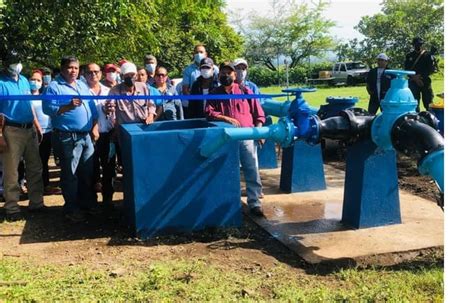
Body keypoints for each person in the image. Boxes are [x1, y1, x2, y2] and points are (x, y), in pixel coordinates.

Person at [43, 55, 100, 223]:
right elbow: (48, 109)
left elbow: (91, 107)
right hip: (68, 137)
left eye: (75, 68)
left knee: (86, 173)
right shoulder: (54, 87)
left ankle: (86, 204)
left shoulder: (82, 84)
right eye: (69, 67)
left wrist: (94, 126)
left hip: (86, 135)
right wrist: (68, 105)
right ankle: (71, 209)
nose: (73, 71)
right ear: (62, 69)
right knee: (70, 174)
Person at [205, 62, 266, 217]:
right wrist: (225, 118)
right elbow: (209, 113)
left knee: (251, 168)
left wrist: (259, 133)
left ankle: (255, 203)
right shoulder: (214, 93)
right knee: (225, 170)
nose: (226, 76)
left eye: (229, 73)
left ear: (234, 75)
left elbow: (259, 114)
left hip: (246, 135)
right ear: (218, 76)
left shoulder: (246, 91)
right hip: (225, 138)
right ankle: (228, 203)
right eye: (223, 73)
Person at [0, 50, 45, 221]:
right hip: (10, 130)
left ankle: (37, 203)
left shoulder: (25, 80)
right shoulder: (1, 82)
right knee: (11, 171)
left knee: (35, 167)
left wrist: (37, 126)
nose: (17, 63)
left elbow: (29, 105)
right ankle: (12, 208)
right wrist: (0, 136)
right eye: (13, 60)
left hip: (29, 129)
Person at [84, 63, 116, 207]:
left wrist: (109, 110)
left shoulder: (109, 91)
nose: (93, 75)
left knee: (109, 169)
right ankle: (91, 201)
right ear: (85, 74)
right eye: (90, 72)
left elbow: (114, 113)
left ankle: (108, 200)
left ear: (101, 74)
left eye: (96, 72)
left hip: (107, 135)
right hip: (88, 136)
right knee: (90, 170)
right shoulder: (81, 91)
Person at [30, 69, 60, 195]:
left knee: (44, 159)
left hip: (48, 132)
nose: (35, 82)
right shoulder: (25, 96)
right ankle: (33, 187)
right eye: (33, 79)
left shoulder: (44, 96)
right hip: (34, 133)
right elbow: (31, 115)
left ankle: (46, 185)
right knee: (34, 161)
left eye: (38, 80)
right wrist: (37, 128)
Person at [107, 62, 156, 126]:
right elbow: (109, 107)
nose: (130, 78)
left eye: (132, 75)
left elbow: (151, 104)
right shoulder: (115, 90)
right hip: (126, 128)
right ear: (122, 76)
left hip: (144, 125)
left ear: (136, 75)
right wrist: (109, 108)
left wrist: (150, 115)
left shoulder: (143, 87)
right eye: (127, 75)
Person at [181, 44, 219, 117]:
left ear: (206, 54)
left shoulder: (215, 69)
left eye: (201, 52)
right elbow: (185, 90)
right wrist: (196, 101)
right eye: (196, 52)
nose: (199, 54)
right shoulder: (188, 70)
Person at [404, 37, 436, 112]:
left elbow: (431, 69)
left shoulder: (428, 55)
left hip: (425, 81)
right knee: (414, 102)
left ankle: (430, 119)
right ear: (413, 45)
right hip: (413, 81)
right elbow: (407, 69)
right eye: (416, 44)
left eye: (420, 44)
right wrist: (415, 78)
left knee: (428, 102)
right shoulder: (409, 55)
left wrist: (420, 76)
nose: (418, 46)